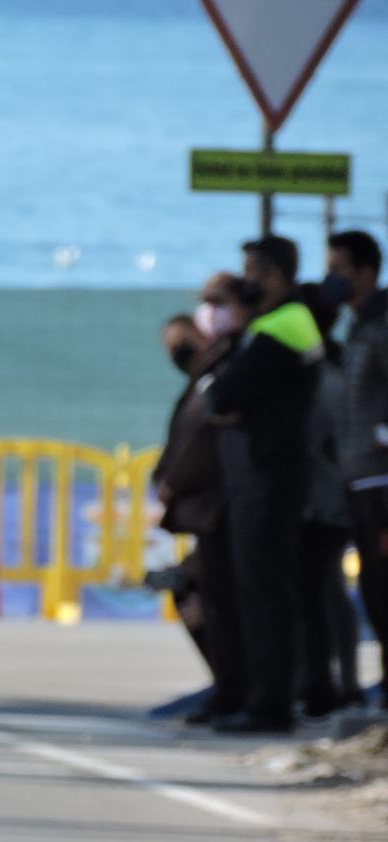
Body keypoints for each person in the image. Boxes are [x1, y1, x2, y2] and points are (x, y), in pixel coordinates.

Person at [205, 236, 325, 733]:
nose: (245, 281)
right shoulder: (276, 324)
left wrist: (227, 402)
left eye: (251, 271)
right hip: (261, 472)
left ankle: (272, 702)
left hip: (267, 474)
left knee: (265, 590)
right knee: (257, 589)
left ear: (273, 275)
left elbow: (226, 393)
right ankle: (263, 694)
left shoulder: (285, 324)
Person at [151, 293, 240, 719]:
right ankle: (227, 683)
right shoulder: (200, 382)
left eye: (183, 341)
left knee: (208, 597)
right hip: (203, 514)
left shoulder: (218, 375)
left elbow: (201, 446)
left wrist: (173, 483)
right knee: (193, 594)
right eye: (171, 347)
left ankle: (235, 687)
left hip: (218, 510)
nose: (179, 352)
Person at [327, 229, 388, 702]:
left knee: (384, 586)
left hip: (380, 479)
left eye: (340, 269)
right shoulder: (358, 324)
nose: (332, 278)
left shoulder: (382, 324)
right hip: (357, 475)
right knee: (372, 585)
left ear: (366, 271)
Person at [295, 284, 361, 717]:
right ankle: (337, 681)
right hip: (330, 498)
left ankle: (325, 684)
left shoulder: (321, 376)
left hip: (324, 501)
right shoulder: (334, 362)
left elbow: (324, 442)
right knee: (328, 590)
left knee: (316, 591)